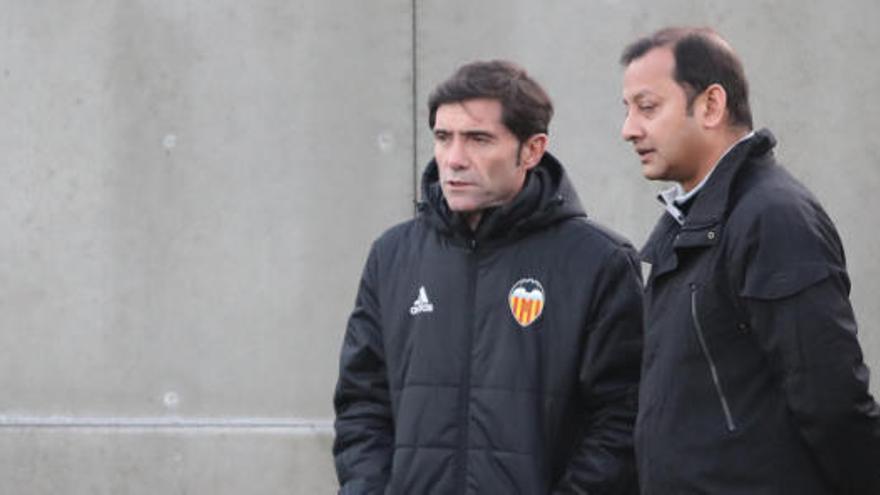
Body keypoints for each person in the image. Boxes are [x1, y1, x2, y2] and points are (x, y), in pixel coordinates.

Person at [334, 60, 643, 494]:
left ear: (531, 150)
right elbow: (362, 404)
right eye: (444, 138)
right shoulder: (393, 255)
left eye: (478, 139)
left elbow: (622, 420)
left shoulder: (599, 262)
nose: (455, 159)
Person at [620, 26, 880, 494]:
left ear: (712, 105)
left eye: (648, 107)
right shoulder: (692, 223)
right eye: (628, 110)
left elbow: (831, 400)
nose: (629, 130)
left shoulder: (773, 218)